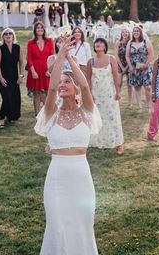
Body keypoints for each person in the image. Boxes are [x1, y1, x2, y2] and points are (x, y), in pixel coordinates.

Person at [34, 36, 102, 255]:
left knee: (82, 225)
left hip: (81, 178)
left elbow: (85, 84)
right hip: (57, 178)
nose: (62, 85)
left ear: (75, 88)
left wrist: (71, 60)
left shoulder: (86, 112)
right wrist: (60, 55)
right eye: (61, 81)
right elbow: (51, 89)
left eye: (66, 82)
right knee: (58, 226)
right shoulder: (51, 113)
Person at [87, 38, 124, 155]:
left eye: (101, 42)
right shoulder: (90, 61)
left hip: (109, 93)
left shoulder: (111, 58)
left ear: (105, 46)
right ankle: (97, 141)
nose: (98, 44)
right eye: (96, 43)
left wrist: (118, 91)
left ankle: (118, 143)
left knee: (112, 117)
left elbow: (116, 76)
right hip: (96, 94)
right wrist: (89, 94)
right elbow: (88, 79)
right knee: (96, 117)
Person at [0, 28, 25, 129]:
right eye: (6, 34)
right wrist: (1, 77)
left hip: (15, 77)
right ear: (3, 37)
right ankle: (1, 118)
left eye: (10, 33)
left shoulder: (18, 47)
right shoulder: (0, 49)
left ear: (13, 36)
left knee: (14, 98)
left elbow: (22, 63)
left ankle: (11, 116)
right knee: (7, 97)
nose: (8, 35)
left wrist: (21, 76)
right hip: (3, 78)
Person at [27, 22, 56, 116]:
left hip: (46, 69)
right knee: (36, 93)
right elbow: (29, 58)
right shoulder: (30, 42)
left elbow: (52, 56)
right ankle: (37, 115)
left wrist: (49, 70)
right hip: (35, 69)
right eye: (37, 28)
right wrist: (33, 71)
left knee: (49, 92)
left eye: (41, 28)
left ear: (44, 30)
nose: (39, 29)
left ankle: (49, 112)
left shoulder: (50, 41)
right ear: (35, 30)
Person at [126, 25, 154, 112]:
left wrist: (146, 64)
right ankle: (139, 107)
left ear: (141, 32)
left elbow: (151, 54)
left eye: (137, 31)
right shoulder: (130, 43)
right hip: (134, 68)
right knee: (137, 87)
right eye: (134, 31)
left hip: (145, 66)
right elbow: (127, 56)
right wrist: (131, 67)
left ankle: (149, 106)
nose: (136, 32)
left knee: (148, 87)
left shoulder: (146, 42)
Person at [114, 28, 132, 109]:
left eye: (126, 32)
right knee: (119, 83)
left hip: (129, 64)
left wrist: (127, 67)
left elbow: (131, 56)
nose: (125, 34)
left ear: (129, 34)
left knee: (129, 84)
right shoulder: (118, 43)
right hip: (119, 64)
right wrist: (122, 67)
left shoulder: (131, 43)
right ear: (121, 34)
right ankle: (117, 99)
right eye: (123, 32)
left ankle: (129, 103)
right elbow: (116, 55)